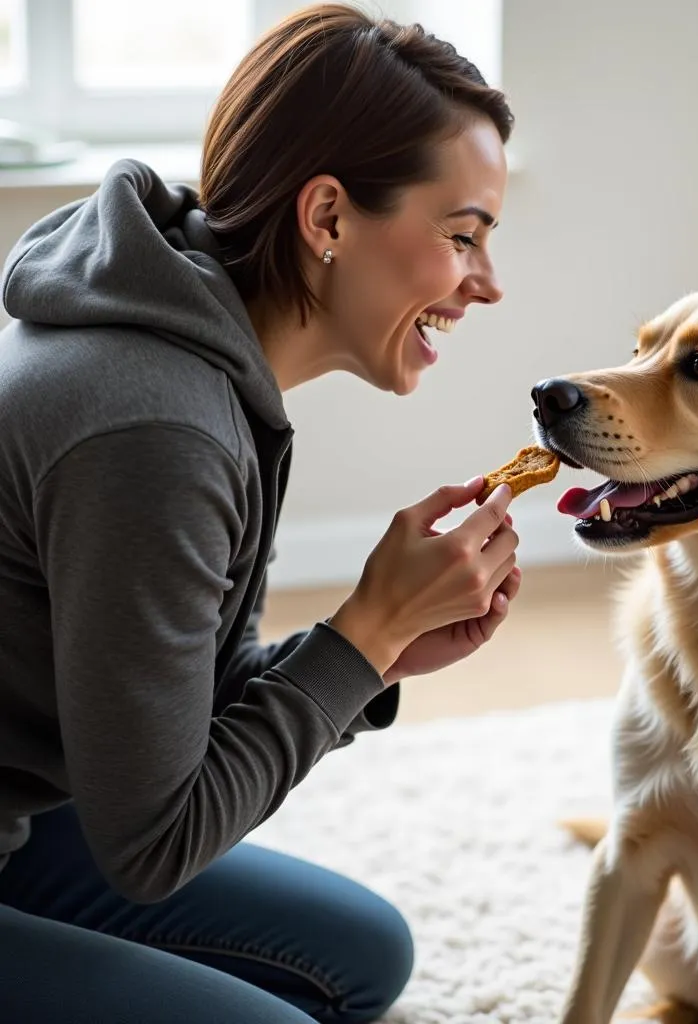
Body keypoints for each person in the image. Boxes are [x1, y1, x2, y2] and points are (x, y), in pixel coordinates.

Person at [0, 4, 519, 1021]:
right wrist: (360, 640)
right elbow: (155, 844)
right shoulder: (155, 429)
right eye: (464, 236)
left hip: (34, 813)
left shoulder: (192, 347)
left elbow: (175, 708)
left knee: (364, 956)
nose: (486, 283)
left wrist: (380, 647)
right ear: (326, 219)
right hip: (73, 826)